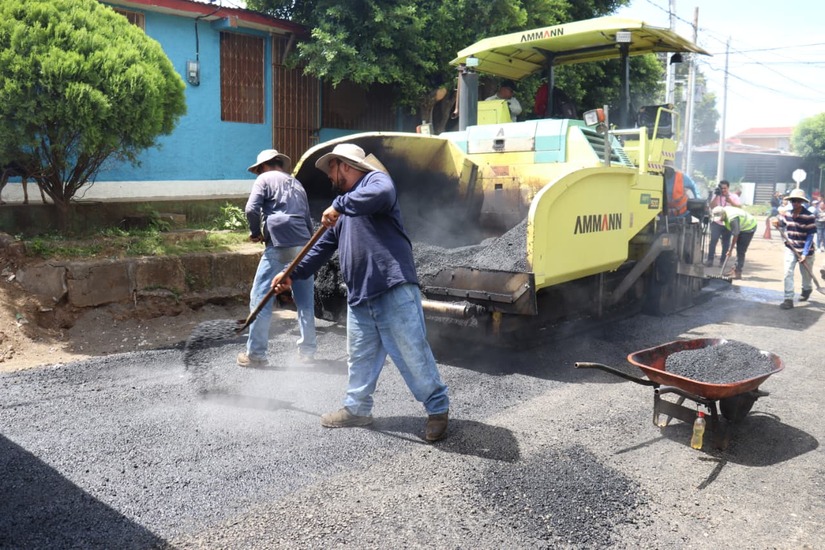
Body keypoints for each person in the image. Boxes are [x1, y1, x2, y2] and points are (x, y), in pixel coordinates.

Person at [270, 143, 451, 442]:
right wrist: (291, 273)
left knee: (412, 351)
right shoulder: (342, 206)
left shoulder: (375, 182)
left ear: (345, 165)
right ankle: (357, 409)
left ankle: (437, 409)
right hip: (359, 294)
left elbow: (382, 193)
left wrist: (340, 206)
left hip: (392, 286)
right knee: (359, 357)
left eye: (332, 168)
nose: (330, 176)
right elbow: (319, 249)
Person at [238, 149, 317, 367]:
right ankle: (308, 352)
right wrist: (309, 248)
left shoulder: (264, 179)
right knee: (304, 300)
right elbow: (307, 218)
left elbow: (251, 209)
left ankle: (256, 354)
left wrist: (255, 233)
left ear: (263, 166)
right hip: (303, 243)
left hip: (279, 241)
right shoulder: (296, 183)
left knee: (261, 297)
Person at [773, 188, 817, 309]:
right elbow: (781, 223)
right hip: (791, 248)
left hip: (806, 250)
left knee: (806, 276)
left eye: (797, 201)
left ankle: (807, 289)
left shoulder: (809, 216)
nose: (795, 203)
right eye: (793, 201)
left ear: (802, 202)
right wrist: (776, 222)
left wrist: (804, 253)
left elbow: (810, 236)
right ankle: (788, 299)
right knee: (788, 273)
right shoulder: (787, 214)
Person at [710, 205, 757, 279]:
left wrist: (730, 250)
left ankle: (737, 272)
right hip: (740, 226)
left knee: (740, 250)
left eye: (720, 218)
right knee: (738, 248)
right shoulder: (722, 211)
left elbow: (736, 235)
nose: (720, 220)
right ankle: (735, 268)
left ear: (723, 214)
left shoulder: (732, 219)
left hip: (749, 227)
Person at [705, 179, 741, 266]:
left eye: (725, 188)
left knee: (726, 243)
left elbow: (739, 208)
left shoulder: (734, 196)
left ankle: (722, 261)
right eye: (721, 188)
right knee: (713, 241)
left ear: (728, 188)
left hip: (728, 223)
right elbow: (711, 206)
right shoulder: (716, 195)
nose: (723, 190)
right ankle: (710, 260)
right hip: (716, 222)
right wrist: (717, 196)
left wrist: (731, 202)